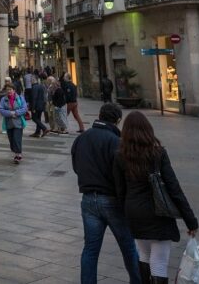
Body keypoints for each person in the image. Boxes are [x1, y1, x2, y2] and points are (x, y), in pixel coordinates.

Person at [113, 111, 198, 284]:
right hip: (158, 211)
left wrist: (125, 214)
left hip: (134, 211)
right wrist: (191, 220)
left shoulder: (121, 155)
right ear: (147, 130)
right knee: (159, 261)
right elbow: (174, 188)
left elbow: (119, 190)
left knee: (144, 255)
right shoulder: (157, 153)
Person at [71, 103, 141, 284]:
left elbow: (76, 166)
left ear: (100, 116)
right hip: (111, 200)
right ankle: (137, 280)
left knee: (90, 249)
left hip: (88, 199)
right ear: (117, 121)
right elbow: (124, 173)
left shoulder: (82, 138)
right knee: (128, 247)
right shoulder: (116, 142)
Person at [0, 81, 28, 164]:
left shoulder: (20, 98)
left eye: (10, 89)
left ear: (14, 90)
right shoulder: (4, 99)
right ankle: (15, 151)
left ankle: (18, 154)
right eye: (7, 90)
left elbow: (24, 108)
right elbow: (1, 110)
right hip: (8, 123)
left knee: (17, 139)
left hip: (18, 122)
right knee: (11, 140)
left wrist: (16, 113)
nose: (9, 91)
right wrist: (10, 113)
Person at [29, 73, 49, 138]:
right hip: (41, 105)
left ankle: (44, 128)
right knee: (38, 119)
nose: (30, 81)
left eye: (31, 79)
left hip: (36, 106)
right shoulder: (40, 86)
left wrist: (33, 108)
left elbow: (34, 98)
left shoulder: (34, 87)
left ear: (34, 80)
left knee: (34, 118)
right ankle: (37, 132)